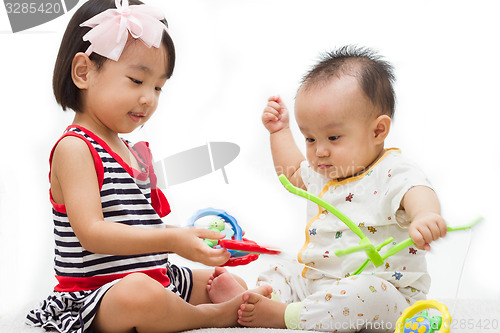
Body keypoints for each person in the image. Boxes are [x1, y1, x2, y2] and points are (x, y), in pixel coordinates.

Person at [26, 1, 271, 332]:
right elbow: (93, 234)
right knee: (140, 295)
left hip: (156, 278)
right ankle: (213, 317)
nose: (149, 99)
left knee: (222, 280)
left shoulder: (135, 154)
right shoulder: (76, 148)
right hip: (97, 295)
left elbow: (142, 225)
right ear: (84, 72)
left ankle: (218, 302)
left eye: (158, 87)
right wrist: (172, 242)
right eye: (136, 80)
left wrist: (189, 237)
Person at [238, 46, 447, 332]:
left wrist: (424, 216)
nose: (319, 151)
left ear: (378, 131)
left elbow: (416, 190)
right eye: (310, 139)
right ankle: (260, 299)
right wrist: (280, 132)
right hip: (318, 284)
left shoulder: (392, 171)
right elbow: (294, 175)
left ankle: (287, 317)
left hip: (386, 300)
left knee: (366, 292)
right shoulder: (327, 172)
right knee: (283, 269)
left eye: (333, 137)